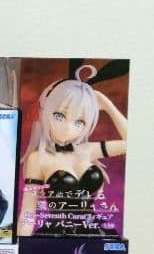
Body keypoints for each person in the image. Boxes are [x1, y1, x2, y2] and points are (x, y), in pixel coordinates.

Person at [18, 65, 127, 236]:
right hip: (57, 236)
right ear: (45, 112)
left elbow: (133, 143)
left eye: (79, 122)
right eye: (60, 116)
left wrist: (107, 105)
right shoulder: (38, 159)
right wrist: (21, 247)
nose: (68, 128)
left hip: (94, 233)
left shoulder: (88, 150)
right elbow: (28, 213)